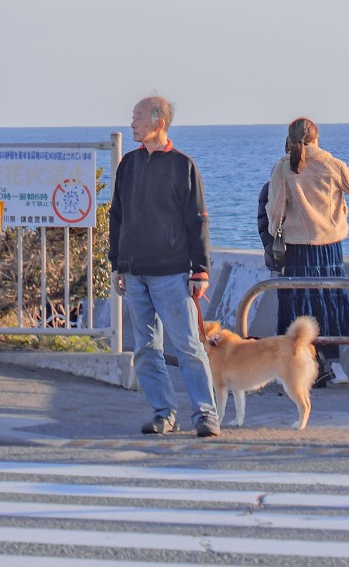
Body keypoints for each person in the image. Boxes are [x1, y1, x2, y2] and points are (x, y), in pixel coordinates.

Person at [110, 93, 220, 437]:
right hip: (135, 271)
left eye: (138, 117)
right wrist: (117, 263)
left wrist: (199, 270)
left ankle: (205, 414)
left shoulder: (182, 166)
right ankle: (163, 413)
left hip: (173, 274)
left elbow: (197, 220)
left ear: (158, 121)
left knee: (188, 345)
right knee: (145, 348)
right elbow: (117, 216)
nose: (132, 123)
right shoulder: (128, 164)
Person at [267, 118, 349, 385]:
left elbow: (275, 212)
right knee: (330, 303)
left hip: (298, 250)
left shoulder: (283, 168)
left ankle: (293, 367)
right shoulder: (331, 164)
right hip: (330, 250)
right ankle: (334, 366)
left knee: (297, 305)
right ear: (317, 139)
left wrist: (278, 231)